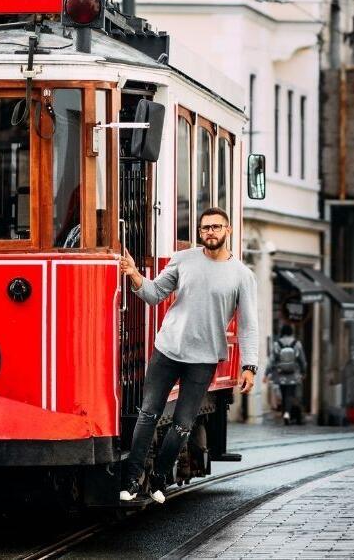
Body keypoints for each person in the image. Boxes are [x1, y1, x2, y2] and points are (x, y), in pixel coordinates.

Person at [115, 207, 258, 504]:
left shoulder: (242, 275)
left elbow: (248, 325)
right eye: (205, 228)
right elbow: (154, 294)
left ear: (228, 231)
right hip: (168, 349)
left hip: (203, 359)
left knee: (182, 424)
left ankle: (159, 479)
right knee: (148, 414)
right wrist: (134, 274)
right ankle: (131, 480)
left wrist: (249, 365)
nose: (210, 232)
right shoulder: (184, 260)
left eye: (217, 227)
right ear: (200, 232)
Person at [265, 324, 308, 425]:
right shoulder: (297, 344)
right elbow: (302, 360)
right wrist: (303, 371)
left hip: (280, 375)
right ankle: (287, 413)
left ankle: (285, 413)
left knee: (284, 394)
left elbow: (271, 360)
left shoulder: (277, 344)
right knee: (290, 394)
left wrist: (267, 373)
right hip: (293, 374)